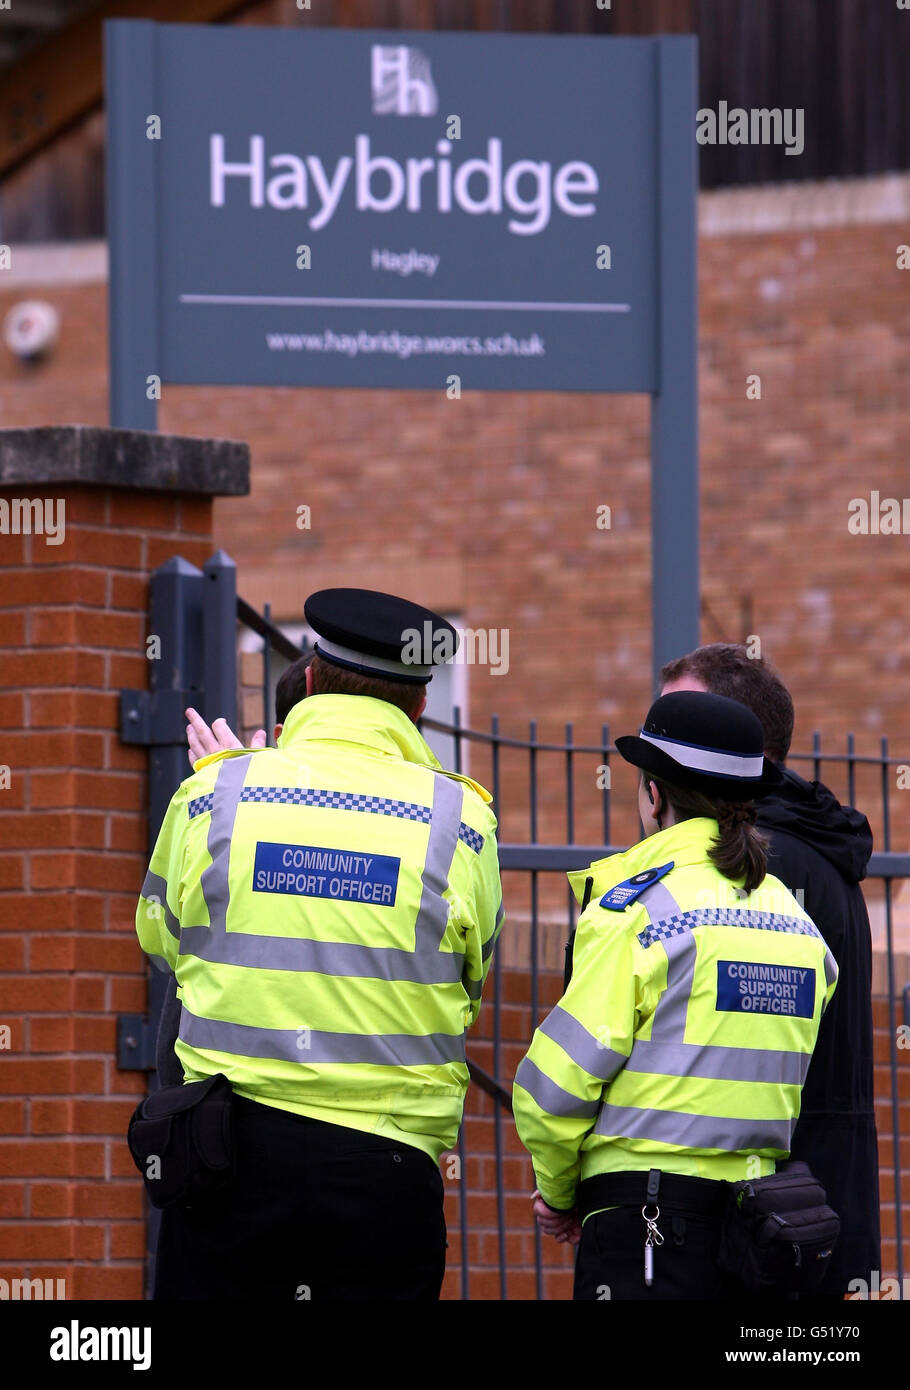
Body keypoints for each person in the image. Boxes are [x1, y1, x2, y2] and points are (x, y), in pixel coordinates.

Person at [135, 588, 503, 1300]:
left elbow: (161, 938)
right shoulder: (463, 822)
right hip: (387, 1168)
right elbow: (471, 981)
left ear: (305, 682)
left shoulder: (217, 795)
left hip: (224, 1153)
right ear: (419, 707)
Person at [512, 691, 837, 1300]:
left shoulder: (641, 912)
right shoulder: (798, 926)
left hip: (647, 1226)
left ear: (655, 795)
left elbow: (551, 1092)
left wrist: (560, 1192)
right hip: (760, 1231)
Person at [660, 644, 880, 1299]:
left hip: (761, 1225)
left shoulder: (755, 864)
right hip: (810, 1209)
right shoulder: (815, 850)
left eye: (678, 723)